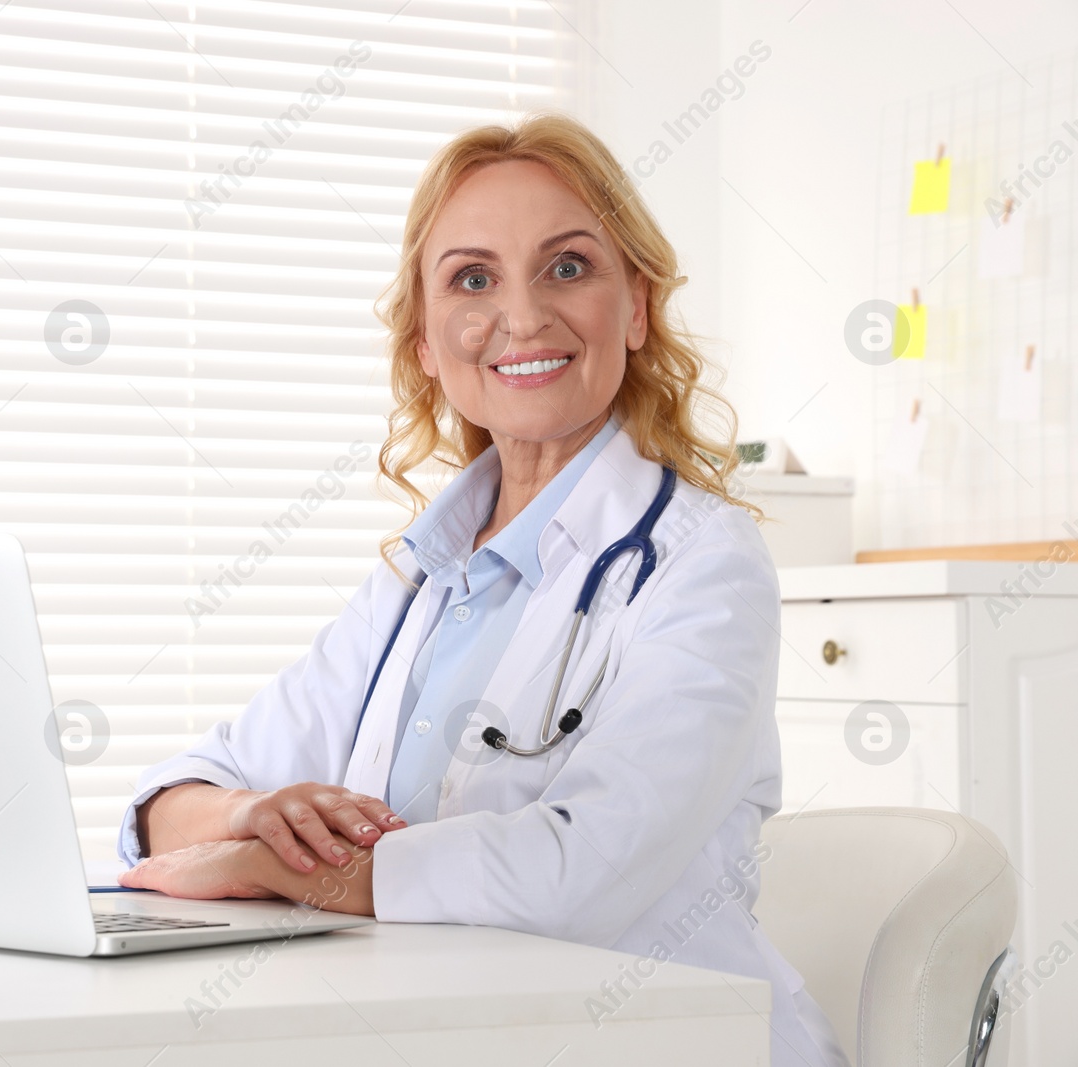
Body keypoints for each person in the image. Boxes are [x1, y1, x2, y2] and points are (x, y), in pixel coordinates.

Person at [115, 110, 848, 1067]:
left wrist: (283, 873)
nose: (524, 315)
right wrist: (252, 817)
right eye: (472, 279)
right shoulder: (419, 580)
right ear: (425, 342)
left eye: (569, 266)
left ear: (638, 307)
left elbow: (585, 866)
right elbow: (167, 800)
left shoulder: (702, 562)